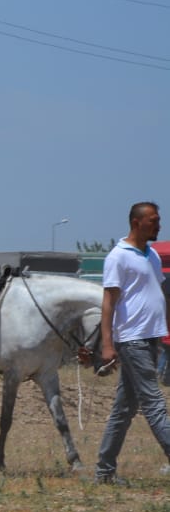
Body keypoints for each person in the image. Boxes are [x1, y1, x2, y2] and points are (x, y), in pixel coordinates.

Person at [94, 202, 170, 485]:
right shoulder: (118, 257)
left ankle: (104, 472)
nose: (159, 225)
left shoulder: (151, 255)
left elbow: (155, 294)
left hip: (151, 338)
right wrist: (107, 344)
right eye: (154, 220)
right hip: (132, 339)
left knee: (124, 409)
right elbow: (108, 303)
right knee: (154, 404)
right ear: (137, 223)